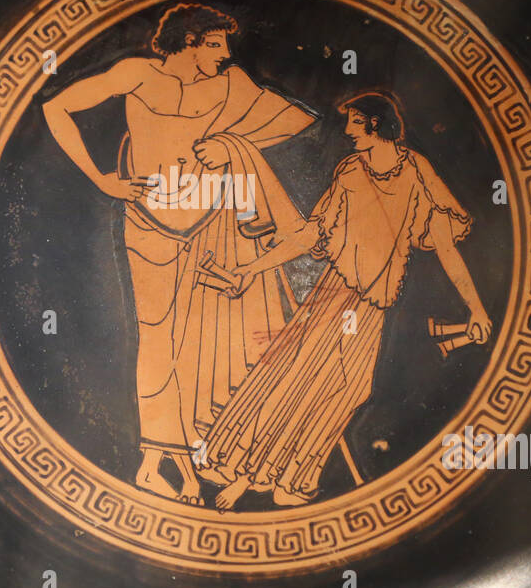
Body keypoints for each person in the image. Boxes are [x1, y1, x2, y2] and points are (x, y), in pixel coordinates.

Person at [42, 3, 314, 504]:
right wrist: (102, 179)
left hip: (212, 221)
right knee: (157, 336)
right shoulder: (138, 74)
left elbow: (296, 121)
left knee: (199, 343)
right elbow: (56, 108)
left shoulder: (231, 84)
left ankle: (189, 456)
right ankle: (159, 459)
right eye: (214, 44)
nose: (225, 54)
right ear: (188, 42)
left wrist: (233, 145)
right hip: (150, 221)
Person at [200, 92, 492, 510]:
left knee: (344, 389)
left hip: (371, 303)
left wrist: (476, 307)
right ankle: (246, 476)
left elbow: (445, 247)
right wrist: (248, 270)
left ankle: (289, 474)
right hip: (336, 293)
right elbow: (311, 235)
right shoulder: (351, 172)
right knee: (300, 377)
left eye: (356, 122)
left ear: (375, 124)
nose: (350, 131)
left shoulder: (416, 173)